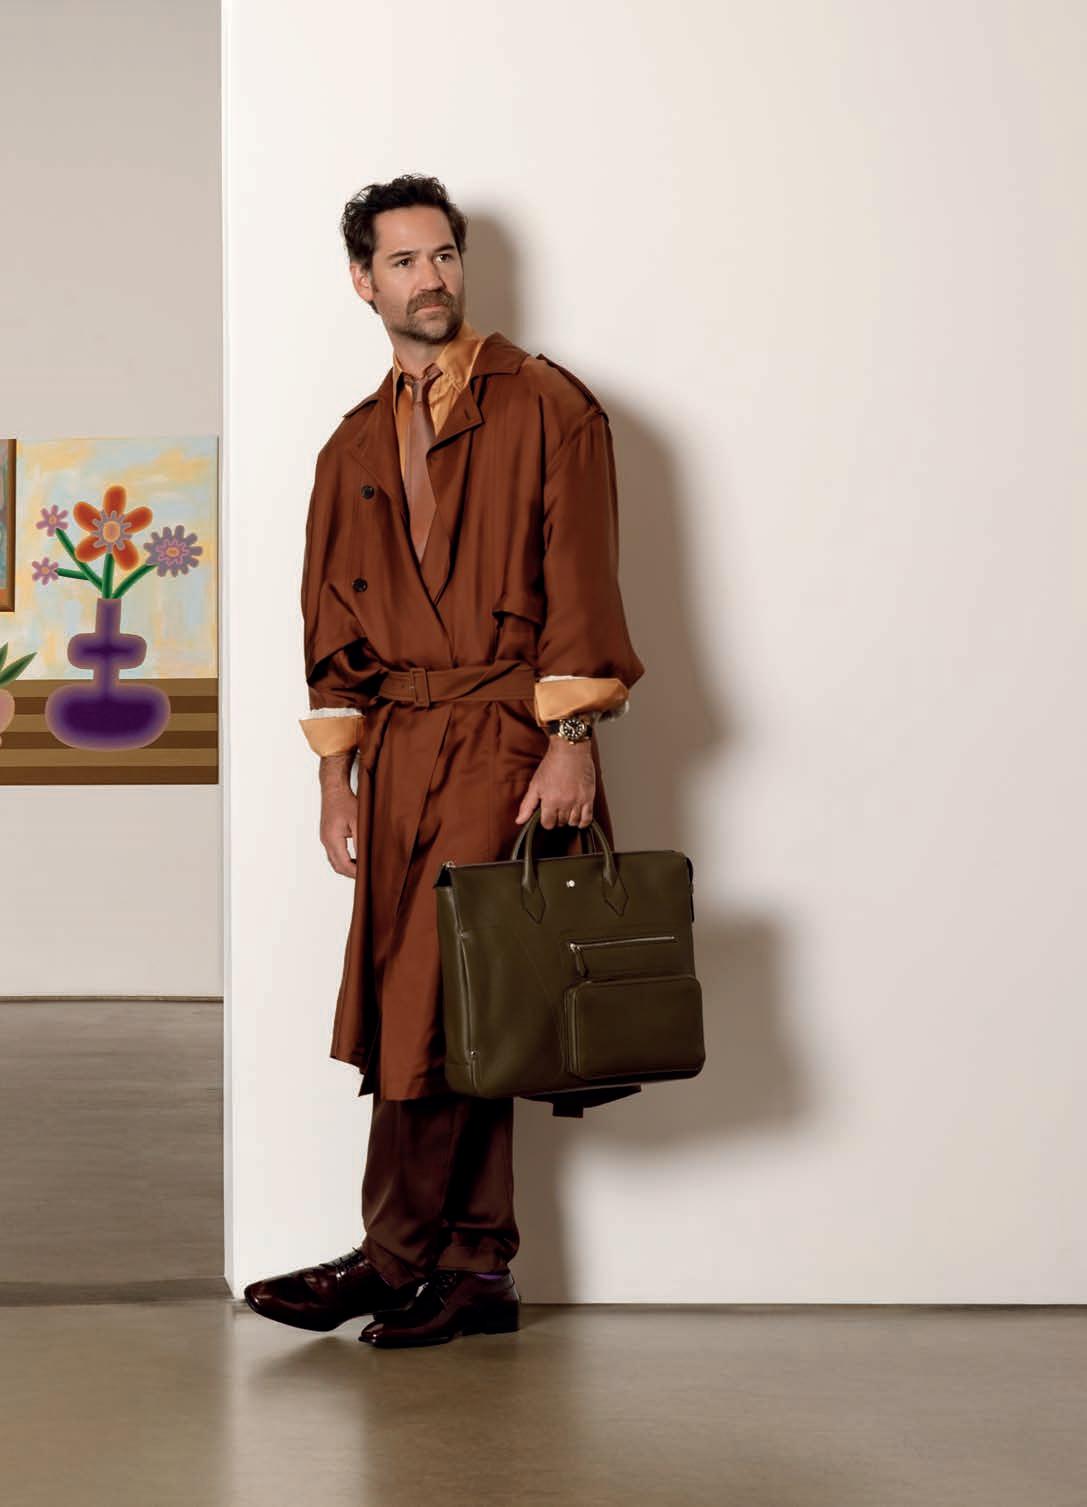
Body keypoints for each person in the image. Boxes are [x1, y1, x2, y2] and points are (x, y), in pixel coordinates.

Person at [244, 174, 644, 1349]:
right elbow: (329, 618)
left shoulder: (549, 405)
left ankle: (392, 1253)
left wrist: (570, 738)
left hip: (504, 734)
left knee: (444, 993)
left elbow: (582, 579)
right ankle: (475, 1266)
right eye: (405, 261)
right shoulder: (353, 442)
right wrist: (334, 773)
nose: (432, 278)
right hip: (399, 750)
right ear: (361, 280)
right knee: (447, 1002)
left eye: (445, 256)